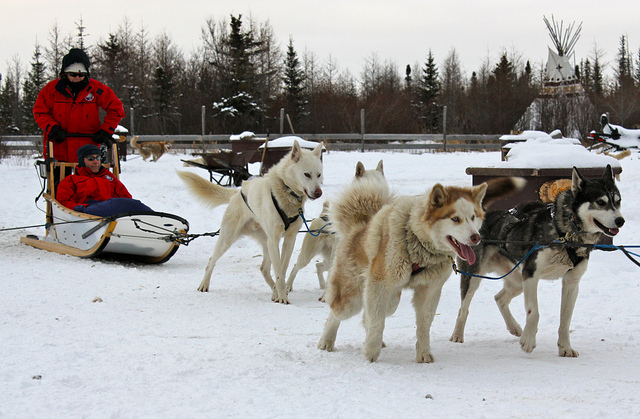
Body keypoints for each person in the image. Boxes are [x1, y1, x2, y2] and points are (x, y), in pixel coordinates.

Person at [33, 48, 125, 162]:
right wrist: (52, 129)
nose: (77, 78)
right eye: (73, 74)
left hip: (88, 152)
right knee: (59, 179)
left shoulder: (96, 89)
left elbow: (116, 109)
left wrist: (106, 131)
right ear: (65, 73)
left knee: (88, 180)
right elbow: (40, 111)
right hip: (58, 149)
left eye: (81, 74)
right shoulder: (52, 90)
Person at [56, 144, 153, 217]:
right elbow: (64, 203)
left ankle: (158, 221)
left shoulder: (108, 177)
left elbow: (125, 197)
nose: (96, 161)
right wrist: (82, 208)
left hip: (112, 213)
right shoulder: (71, 180)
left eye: (98, 158)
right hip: (88, 214)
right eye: (91, 158)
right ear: (82, 161)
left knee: (135, 204)